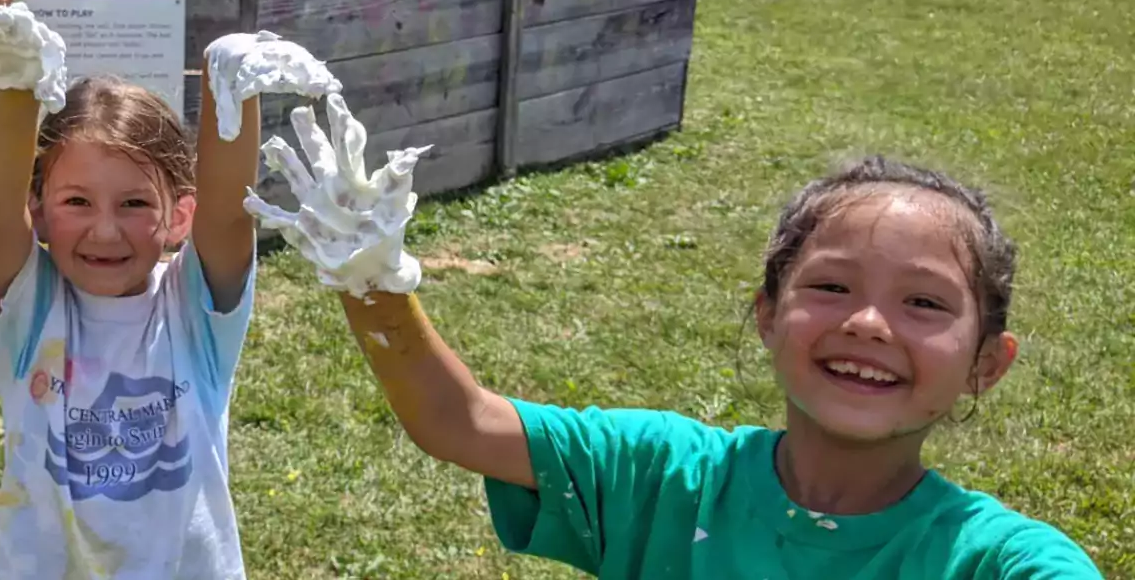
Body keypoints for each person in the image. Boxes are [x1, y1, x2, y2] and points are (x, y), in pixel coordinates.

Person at [246, 146, 1105, 577]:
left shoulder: (996, 561)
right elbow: (458, 420)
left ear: (988, 364)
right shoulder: (667, 476)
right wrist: (370, 282)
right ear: (767, 315)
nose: (871, 324)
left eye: (924, 303)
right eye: (833, 287)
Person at [0, 0, 340, 577]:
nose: (106, 228)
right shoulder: (29, 313)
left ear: (178, 217)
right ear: (38, 211)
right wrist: (13, 82)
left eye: (135, 202)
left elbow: (227, 215)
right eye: (77, 201)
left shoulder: (195, 313)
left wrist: (232, 87)